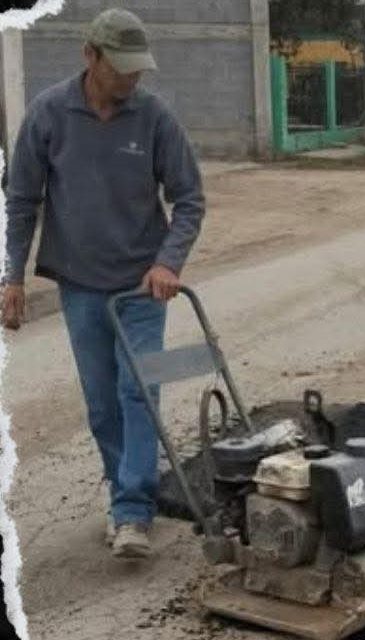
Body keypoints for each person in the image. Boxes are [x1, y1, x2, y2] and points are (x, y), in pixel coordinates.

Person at [1, 8, 206, 558]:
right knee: (101, 404)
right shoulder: (48, 114)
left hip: (143, 284)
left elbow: (189, 200)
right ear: (90, 57)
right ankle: (125, 495)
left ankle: (134, 511)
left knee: (138, 391)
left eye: (139, 69)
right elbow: (21, 203)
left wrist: (168, 263)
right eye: (123, 68)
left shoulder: (155, 117)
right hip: (81, 284)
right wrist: (11, 277)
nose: (133, 79)